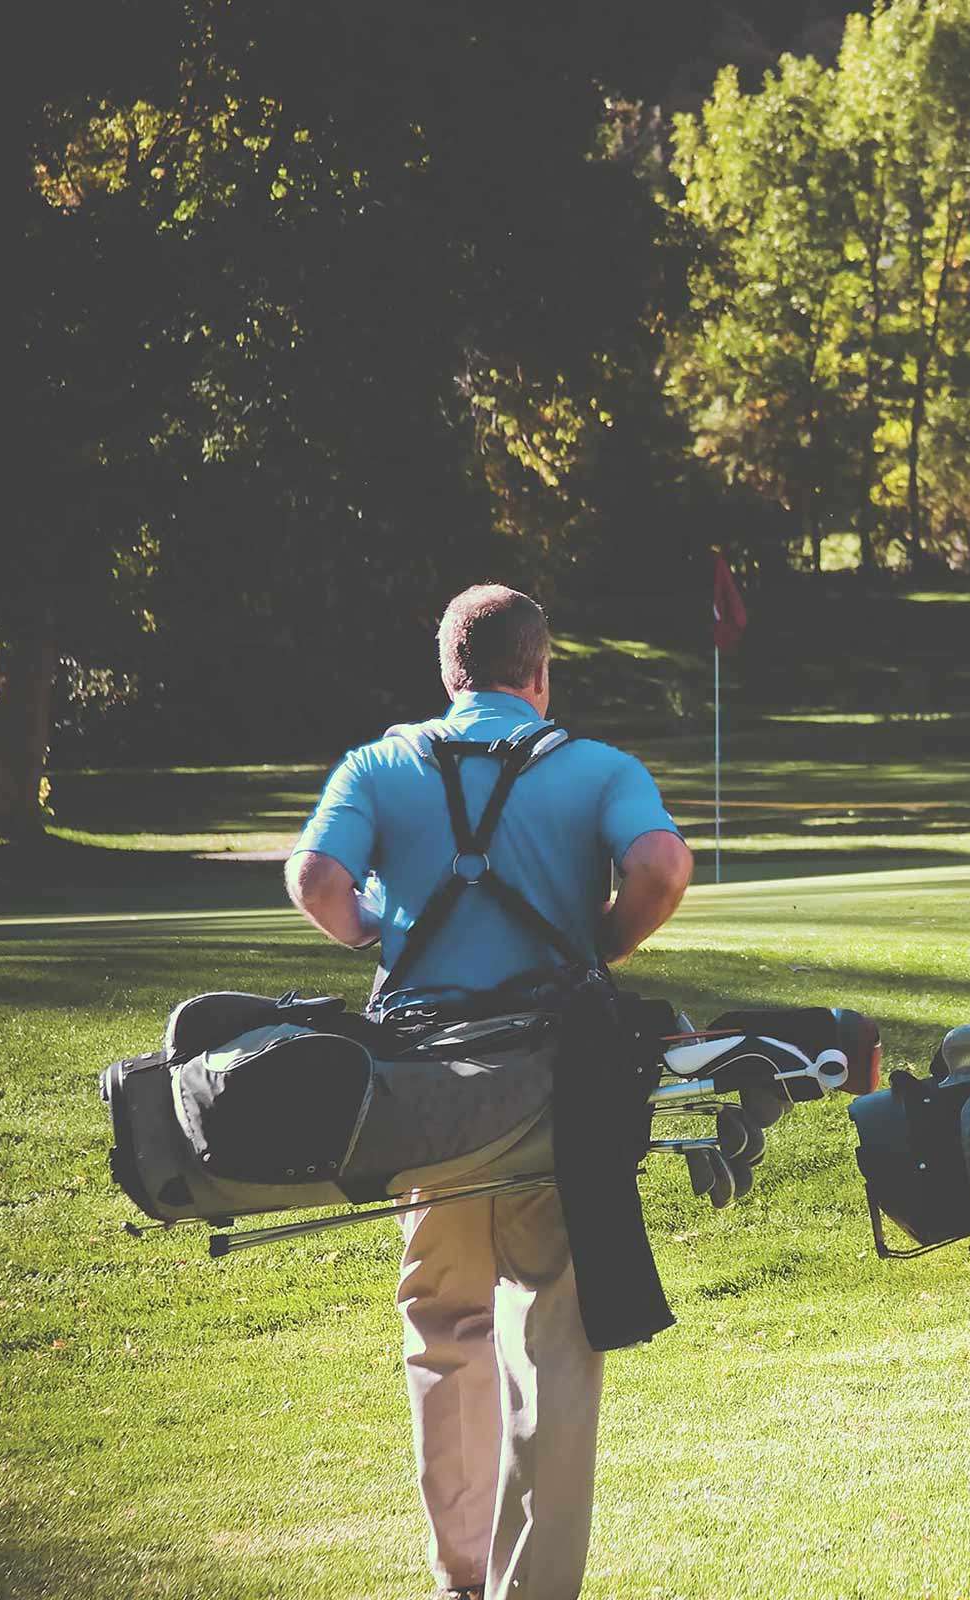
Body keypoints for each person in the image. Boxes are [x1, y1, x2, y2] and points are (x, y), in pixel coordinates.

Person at [286, 584, 693, 1600]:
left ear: (449, 673)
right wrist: (604, 939)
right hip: (552, 1091)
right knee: (557, 1334)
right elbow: (662, 863)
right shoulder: (597, 766)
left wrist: (380, 931)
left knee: (444, 1327)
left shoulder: (382, 763)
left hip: (421, 1091)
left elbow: (314, 878)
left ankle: (459, 1578)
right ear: (540, 672)